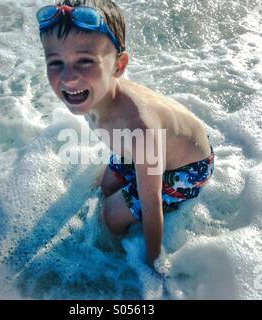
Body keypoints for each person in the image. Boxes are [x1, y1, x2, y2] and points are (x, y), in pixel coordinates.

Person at [36, 0, 214, 267]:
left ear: (118, 66)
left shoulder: (139, 127)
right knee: (104, 185)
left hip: (187, 169)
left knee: (110, 215)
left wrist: (151, 267)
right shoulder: (90, 92)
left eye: (85, 61)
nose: (68, 77)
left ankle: (114, 264)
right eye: (55, 62)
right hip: (147, 151)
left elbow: (151, 204)